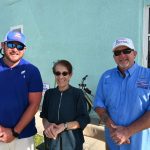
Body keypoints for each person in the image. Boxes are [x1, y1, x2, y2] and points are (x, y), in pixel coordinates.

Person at [94, 38, 150, 150]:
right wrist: (112, 128)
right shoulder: (106, 77)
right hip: (113, 142)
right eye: (117, 52)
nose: (122, 55)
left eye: (126, 51)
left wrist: (128, 131)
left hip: (139, 145)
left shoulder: (148, 76)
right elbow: (99, 106)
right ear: (114, 57)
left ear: (134, 53)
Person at [0, 31, 43, 150]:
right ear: (2, 45)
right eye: (11, 45)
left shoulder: (32, 71)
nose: (15, 49)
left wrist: (14, 132)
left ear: (24, 49)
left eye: (19, 46)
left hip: (23, 136)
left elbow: (34, 104)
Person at [40, 59, 90, 150]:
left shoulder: (78, 94)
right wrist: (48, 127)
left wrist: (64, 126)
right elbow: (44, 116)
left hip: (72, 143)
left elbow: (84, 119)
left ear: (70, 75)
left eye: (64, 73)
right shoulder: (49, 94)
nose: (61, 76)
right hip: (52, 142)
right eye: (57, 73)